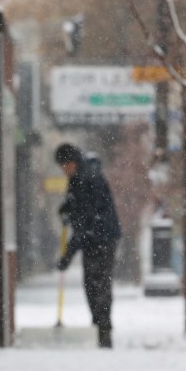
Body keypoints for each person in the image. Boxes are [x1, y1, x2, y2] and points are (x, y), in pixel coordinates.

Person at [55, 143, 121, 348]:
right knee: (92, 285)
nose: (64, 170)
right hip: (94, 238)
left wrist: (67, 255)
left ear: (73, 162)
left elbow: (85, 222)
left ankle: (103, 332)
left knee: (99, 285)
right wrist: (66, 210)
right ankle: (99, 328)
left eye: (65, 166)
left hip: (102, 238)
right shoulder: (78, 178)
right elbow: (74, 205)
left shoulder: (87, 178)